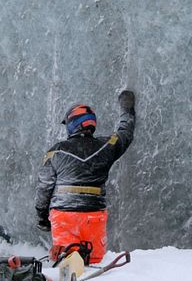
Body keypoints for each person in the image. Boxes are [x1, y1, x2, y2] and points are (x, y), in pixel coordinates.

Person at [35, 90, 136, 264]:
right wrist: (127, 109)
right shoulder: (107, 146)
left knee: (66, 263)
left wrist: (42, 217)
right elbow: (125, 133)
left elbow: (44, 187)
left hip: (63, 216)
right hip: (93, 215)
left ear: (72, 124)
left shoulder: (55, 151)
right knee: (94, 262)